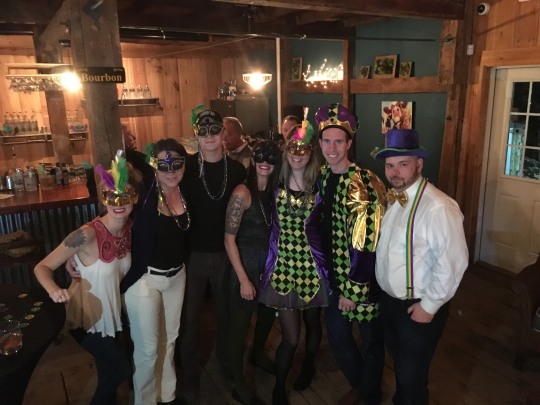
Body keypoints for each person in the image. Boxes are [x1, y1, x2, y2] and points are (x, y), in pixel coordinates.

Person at [34, 155, 141, 405]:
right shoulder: (86, 234)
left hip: (111, 317)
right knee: (120, 370)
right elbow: (43, 266)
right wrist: (54, 290)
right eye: (110, 195)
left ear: (135, 198)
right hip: (85, 318)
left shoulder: (128, 228)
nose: (118, 203)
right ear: (103, 198)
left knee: (108, 373)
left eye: (125, 195)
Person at [373, 128, 468, 405]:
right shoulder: (393, 198)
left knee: (412, 376)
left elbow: (453, 262)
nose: (395, 173)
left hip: (418, 307)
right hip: (390, 303)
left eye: (403, 164)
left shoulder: (438, 206)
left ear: (419, 164)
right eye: (390, 165)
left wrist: (429, 306)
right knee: (401, 365)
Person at [315, 103, 387, 405]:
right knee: (340, 341)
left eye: (338, 141)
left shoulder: (363, 182)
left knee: (371, 343)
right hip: (332, 278)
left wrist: (354, 288)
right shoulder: (321, 175)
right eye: (327, 141)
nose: (332, 148)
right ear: (319, 143)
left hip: (362, 282)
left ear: (349, 144)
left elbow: (366, 242)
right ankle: (366, 389)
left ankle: (369, 395)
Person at [259, 122, 329, 405]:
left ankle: (310, 364)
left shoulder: (321, 182)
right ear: (285, 150)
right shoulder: (274, 179)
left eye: (303, 148)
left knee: (313, 321)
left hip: (313, 265)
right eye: (292, 148)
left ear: (311, 151)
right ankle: (279, 387)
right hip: (284, 267)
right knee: (290, 338)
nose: (297, 154)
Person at [180, 108, 247, 404]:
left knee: (226, 315)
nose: (209, 137)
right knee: (190, 318)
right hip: (192, 254)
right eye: (203, 132)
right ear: (197, 135)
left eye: (214, 131)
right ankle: (190, 374)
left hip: (225, 254)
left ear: (223, 135)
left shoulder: (238, 171)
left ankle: (227, 365)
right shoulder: (185, 169)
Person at [121, 138, 190, 405]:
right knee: (148, 350)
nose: (171, 170)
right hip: (145, 280)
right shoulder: (144, 193)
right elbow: (113, 215)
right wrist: (79, 254)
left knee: (170, 341)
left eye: (176, 163)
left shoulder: (185, 192)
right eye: (164, 164)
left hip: (177, 276)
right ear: (154, 166)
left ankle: (167, 396)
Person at [224, 140, 282, 405]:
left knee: (267, 316)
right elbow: (229, 240)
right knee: (239, 328)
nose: (264, 161)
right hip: (244, 267)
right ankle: (236, 381)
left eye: (270, 158)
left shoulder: (274, 192)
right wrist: (243, 279)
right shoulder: (242, 193)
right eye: (260, 156)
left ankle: (257, 355)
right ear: (252, 159)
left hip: (267, 267)